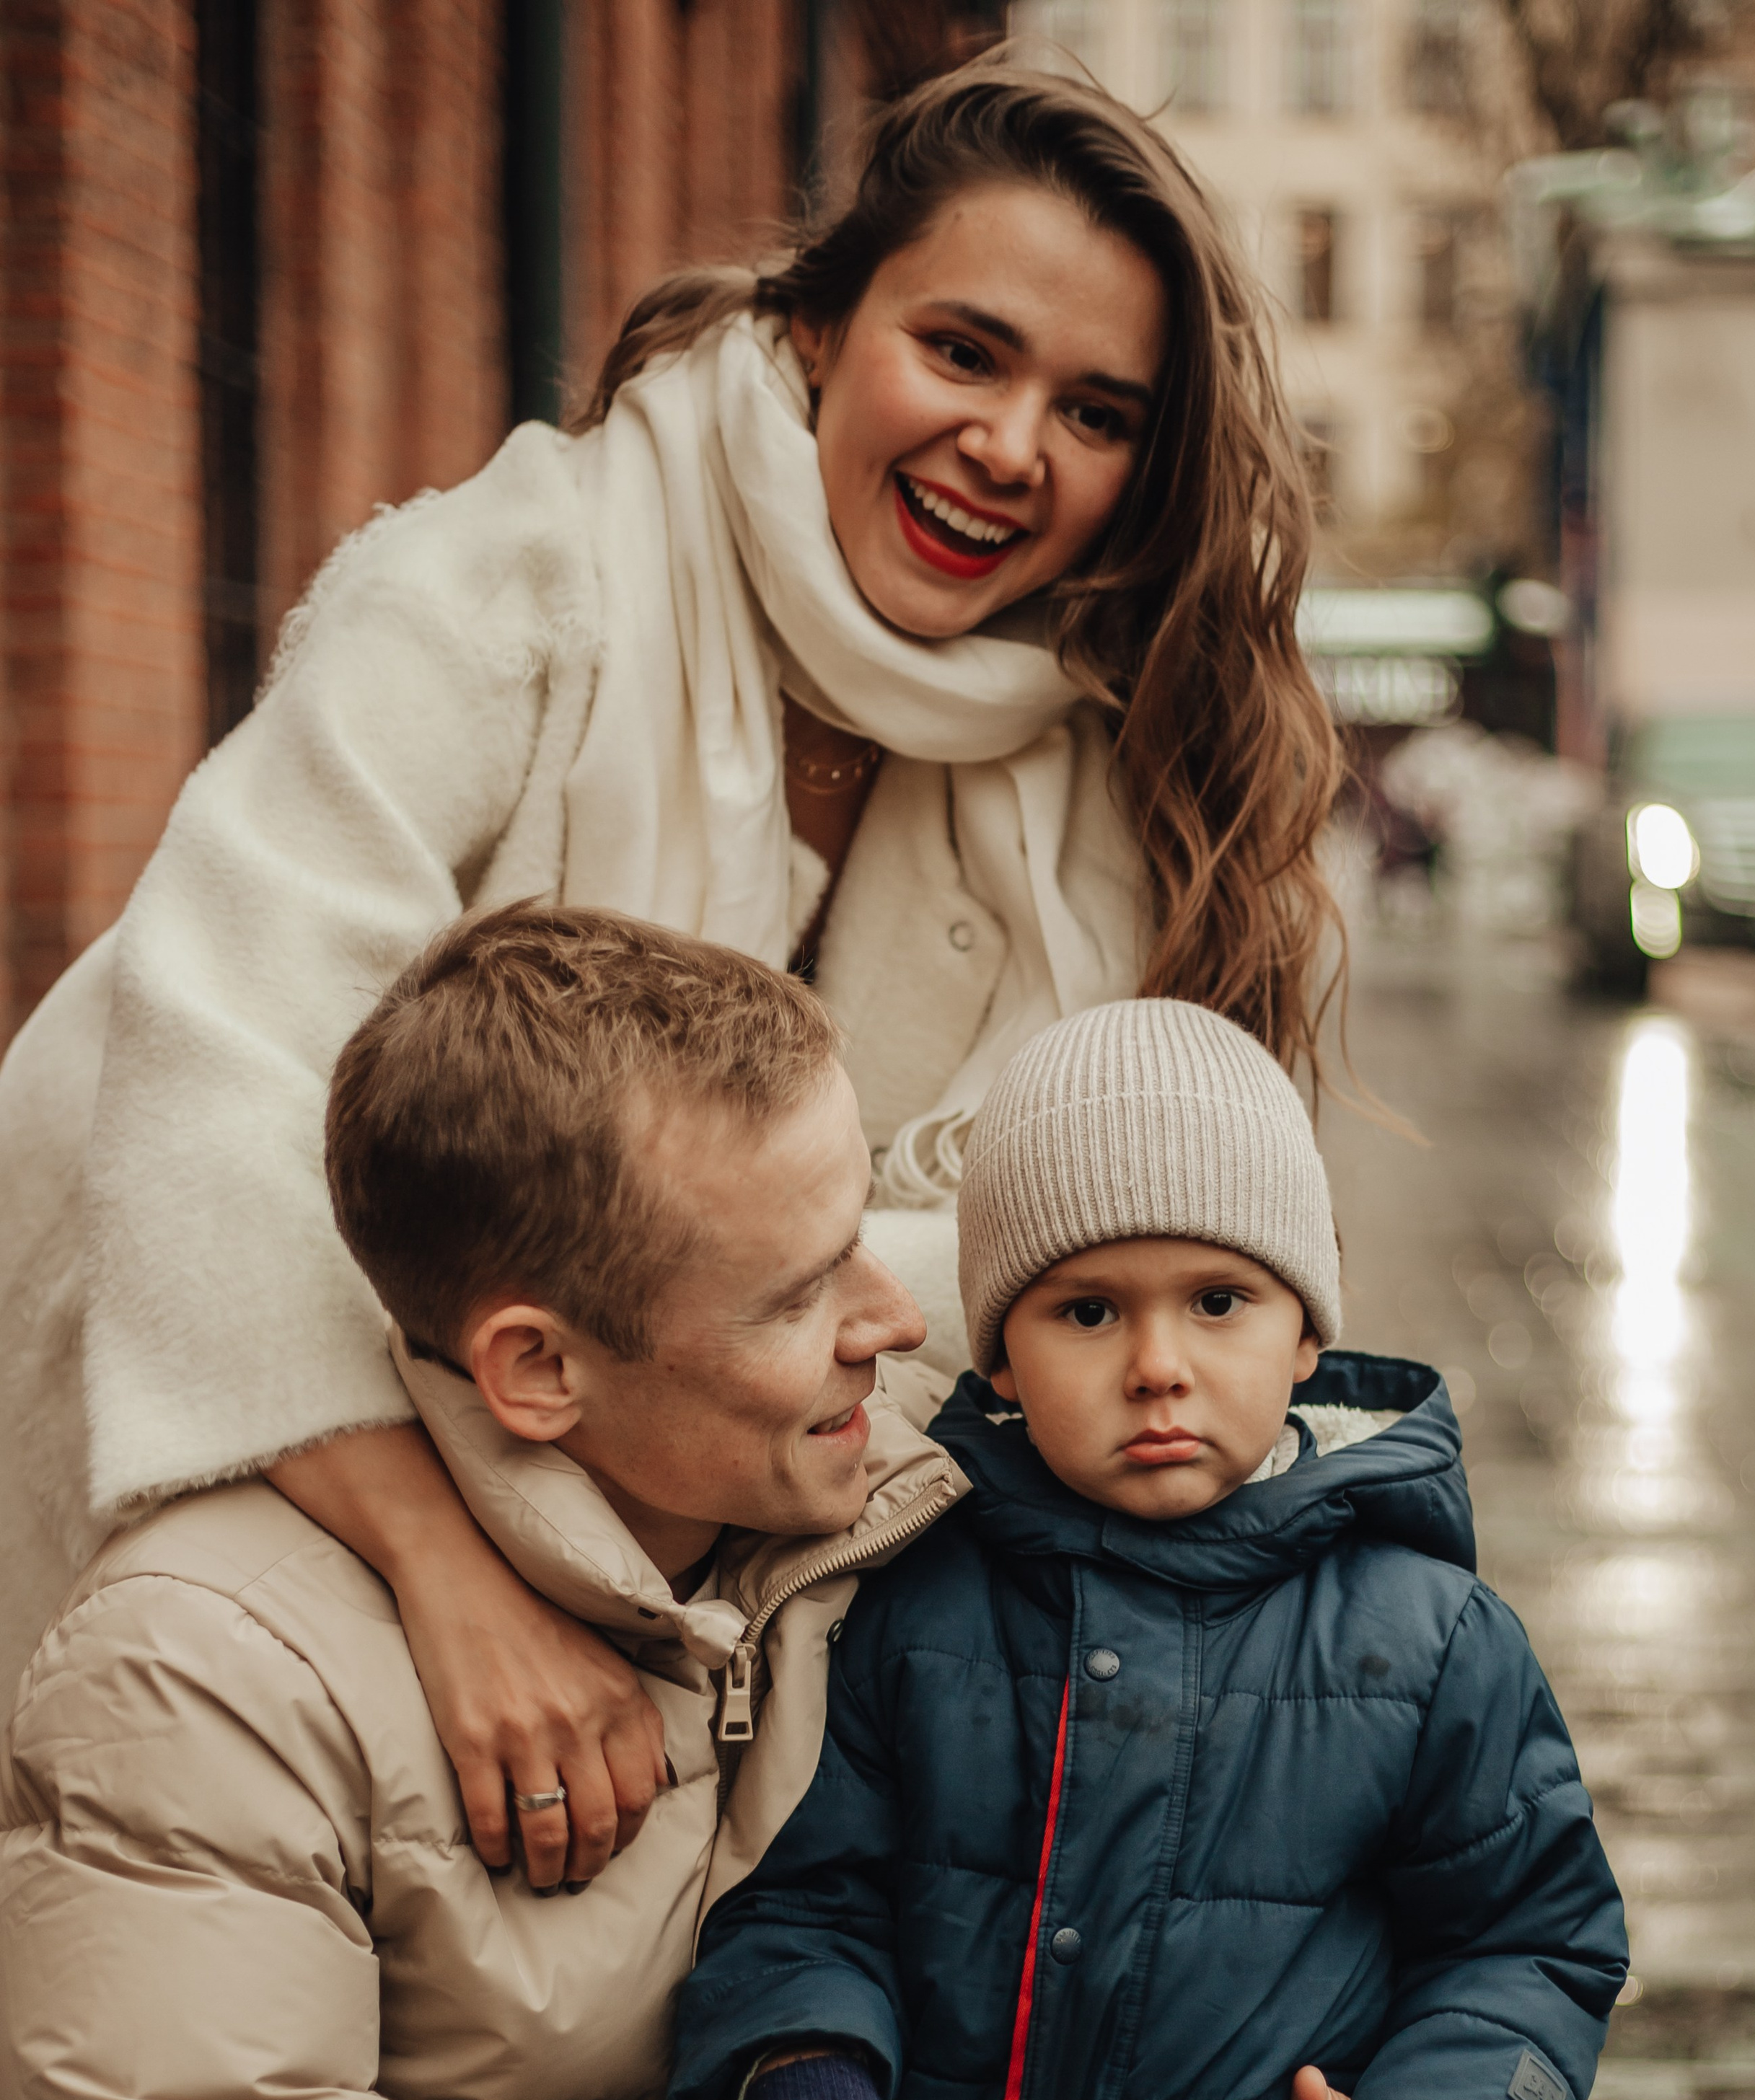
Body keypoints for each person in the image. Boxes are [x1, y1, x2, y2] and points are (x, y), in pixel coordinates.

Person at [0, 917, 1387, 2100]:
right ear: (538, 1372)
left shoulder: (908, 1488)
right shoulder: (203, 1674)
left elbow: (1358, 1759)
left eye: (867, 1245)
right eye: (802, 1291)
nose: (891, 1327)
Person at [0, 53, 1343, 1909]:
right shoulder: (515, 582)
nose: (1012, 446)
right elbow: (217, 1077)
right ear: (811, 331)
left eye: (1095, 412)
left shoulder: (1090, 777)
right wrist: (445, 1575)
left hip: (688, 1600)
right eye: (961, 352)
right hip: (257, 1455)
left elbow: (1071, 1283)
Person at [664, 1000, 1629, 2100]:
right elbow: (812, 1894)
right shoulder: (921, 1611)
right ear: (1004, 1348)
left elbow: (1525, 1939)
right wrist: (805, 2096)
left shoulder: (1424, 1638)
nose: (1157, 1364)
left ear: (1305, 1325)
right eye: (1087, 1310)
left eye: (1218, 1301)